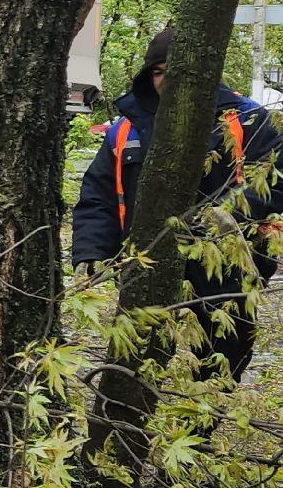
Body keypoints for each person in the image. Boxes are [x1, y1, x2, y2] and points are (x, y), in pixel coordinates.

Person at [72, 26, 281, 381]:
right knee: (138, 356)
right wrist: (91, 250)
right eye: (158, 72)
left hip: (228, 264)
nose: (166, 80)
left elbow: (276, 179)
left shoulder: (248, 121)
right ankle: (132, 411)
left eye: (177, 71)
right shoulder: (126, 130)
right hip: (147, 259)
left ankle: (206, 412)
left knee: (225, 355)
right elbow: (99, 195)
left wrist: (228, 213)